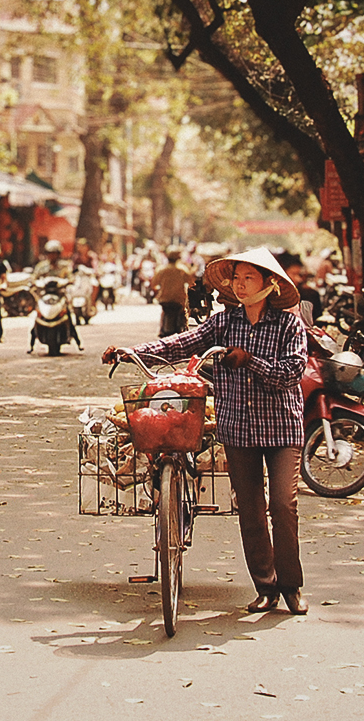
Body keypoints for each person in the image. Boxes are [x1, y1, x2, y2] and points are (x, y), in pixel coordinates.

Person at [101, 246, 309, 615]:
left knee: (282, 505)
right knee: (250, 509)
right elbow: (180, 343)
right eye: (237, 278)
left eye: (250, 278)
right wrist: (131, 352)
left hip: (281, 428)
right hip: (238, 428)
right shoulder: (223, 323)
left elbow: (290, 373)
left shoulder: (288, 324)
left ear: (268, 283)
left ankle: (290, 586)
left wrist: (251, 361)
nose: (241, 285)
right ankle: (265, 587)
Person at [153, 248, 190, 336]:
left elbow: (154, 284)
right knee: (182, 318)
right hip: (179, 300)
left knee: (165, 312)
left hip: (164, 300)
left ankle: (162, 330)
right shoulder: (182, 270)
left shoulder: (161, 270)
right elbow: (191, 282)